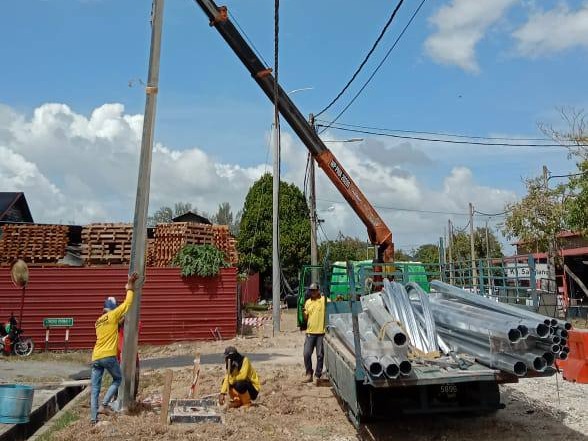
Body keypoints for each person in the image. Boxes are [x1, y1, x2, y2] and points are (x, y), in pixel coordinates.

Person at [90, 272, 138, 424]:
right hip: (108, 356)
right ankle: (104, 405)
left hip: (96, 356)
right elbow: (128, 303)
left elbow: (114, 326)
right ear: (112, 308)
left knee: (95, 389)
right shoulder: (113, 316)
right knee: (117, 379)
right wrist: (130, 286)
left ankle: (93, 419)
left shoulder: (98, 321)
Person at [303, 283, 326, 384]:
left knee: (320, 355)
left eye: (314, 290)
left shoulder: (324, 300)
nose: (313, 292)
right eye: (311, 290)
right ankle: (309, 373)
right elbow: (306, 317)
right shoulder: (307, 302)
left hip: (321, 332)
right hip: (310, 332)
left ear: (318, 290)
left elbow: (332, 305)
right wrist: (304, 314)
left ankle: (317, 375)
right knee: (306, 354)